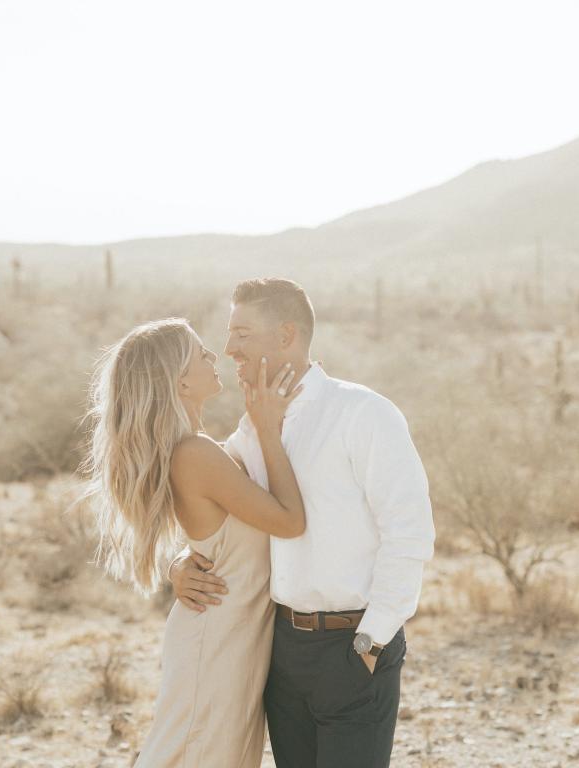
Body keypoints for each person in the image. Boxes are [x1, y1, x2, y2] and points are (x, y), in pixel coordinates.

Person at [170, 278, 436, 768]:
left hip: (353, 644)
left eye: (242, 334)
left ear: (286, 335)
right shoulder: (254, 428)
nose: (229, 349)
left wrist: (371, 641)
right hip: (281, 648)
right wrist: (179, 561)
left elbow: (410, 533)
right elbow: (215, 503)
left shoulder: (363, 413)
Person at [82, 317, 307, 768]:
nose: (215, 357)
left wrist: (182, 560)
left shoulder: (200, 448)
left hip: (233, 639)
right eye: (201, 354)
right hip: (217, 641)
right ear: (181, 382)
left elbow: (216, 534)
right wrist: (267, 428)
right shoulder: (196, 454)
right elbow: (289, 521)